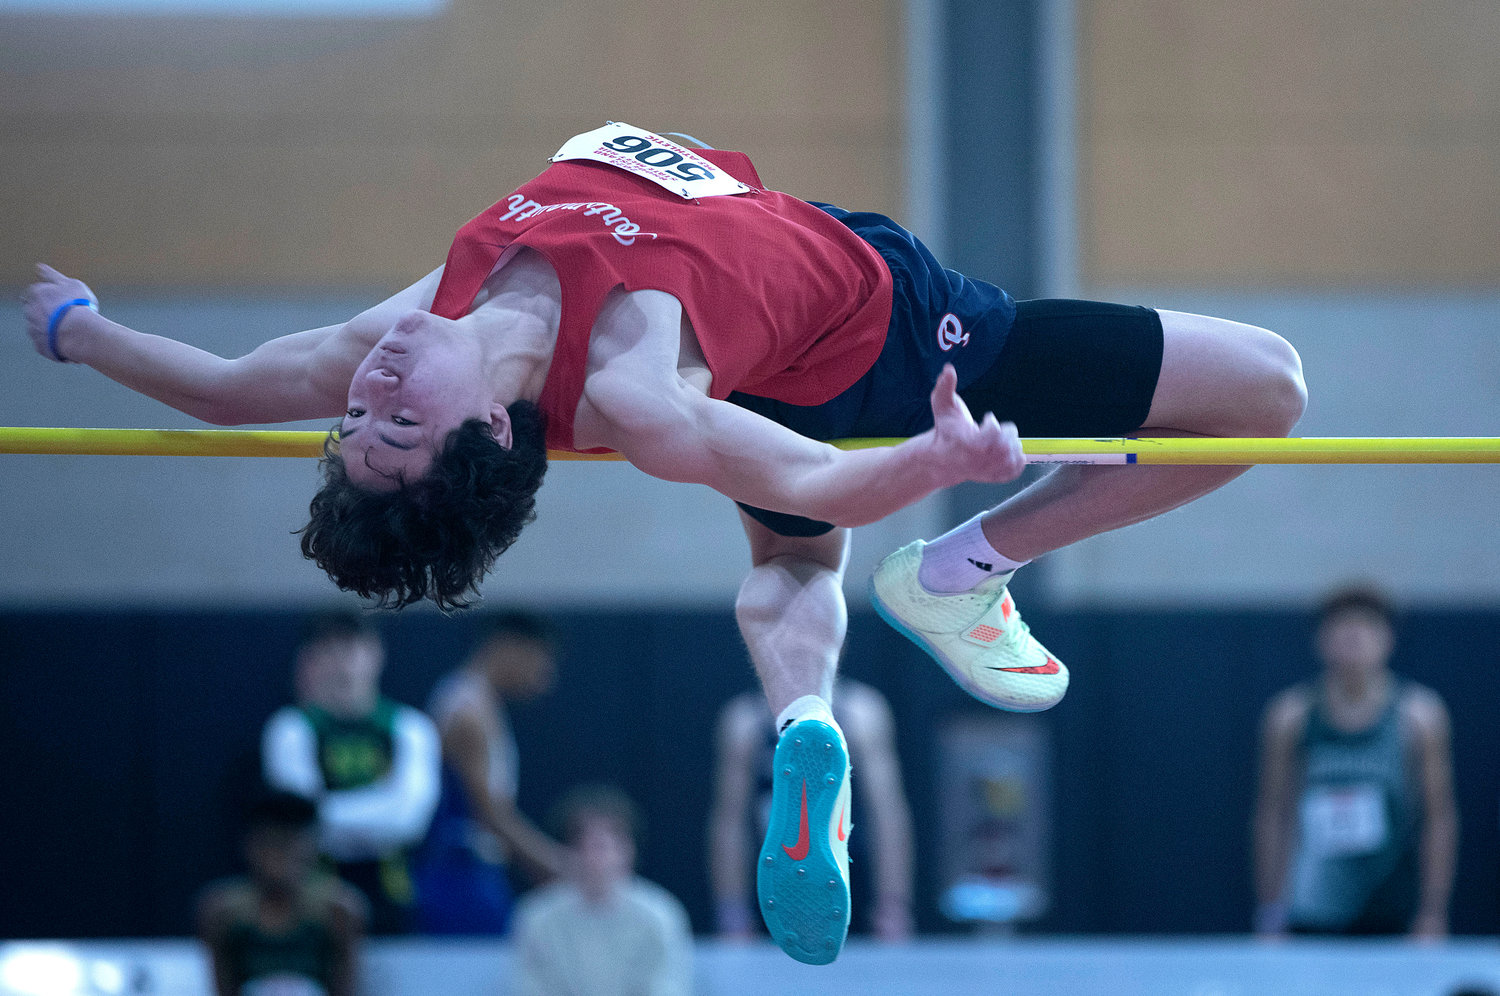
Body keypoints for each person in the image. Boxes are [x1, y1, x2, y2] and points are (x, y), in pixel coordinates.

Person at [23, 122, 1306, 963]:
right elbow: (815, 469)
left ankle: (809, 718)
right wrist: (934, 465)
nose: (374, 381)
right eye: (394, 415)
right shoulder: (634, 385)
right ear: (482, 428)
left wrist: (77, 329)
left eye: (358, 414)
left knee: (794, 567)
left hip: (792, 332)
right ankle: (971, 567)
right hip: (903, 334)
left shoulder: (431, 322)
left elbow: (237, 383)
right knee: (1268, 390)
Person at [1253, 585, 1459, 939]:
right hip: (1311, 903)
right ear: (1321, 640)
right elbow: (1274, 813)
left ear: (1387, 640)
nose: (1353, 639)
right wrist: (1271, 908)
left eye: (1365, 628)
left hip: (1392, 901)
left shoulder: (1420, 717)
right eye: (1342, 629)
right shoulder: (1290, 717)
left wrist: (1432, 912)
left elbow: (1437, 818)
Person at [261, 611, 442, 935]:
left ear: (377, 654)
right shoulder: (290, 729)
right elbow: (301, 820)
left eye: (354, 647)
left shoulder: (411, 728)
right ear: (312, 660)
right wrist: (383, 805)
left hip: (394, 897)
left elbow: (409, 819)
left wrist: (328, 812)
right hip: (312, 899)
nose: (344, 662)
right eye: (330, 649)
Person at [709, 677, 914, 941]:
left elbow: (887, 818)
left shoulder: (861, 714)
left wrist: (893, 908)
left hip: (849, 885)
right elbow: (729, 825)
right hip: (774, 888)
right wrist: (732, 912)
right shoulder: (746, 721)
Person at [414, 610, 568, 934]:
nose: (546, 677)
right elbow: (488, 814)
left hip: (466, 871)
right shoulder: (469, 714)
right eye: (543, 661)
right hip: (459, 878)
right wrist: (554, 865)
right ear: (509, 647)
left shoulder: (473, 701)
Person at [510, 783, 692, 996]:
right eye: (586, 842)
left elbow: (666, 989)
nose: (597, 856)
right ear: (570, 849)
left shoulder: (659, 916)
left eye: (606, 843)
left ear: (629, 850)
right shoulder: (537, 917)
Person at [197, 790, 367, 996]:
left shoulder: (340, 911)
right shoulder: (222, 913)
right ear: (251, 847)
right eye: (271, 843)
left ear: (311, 848)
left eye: (290, 844)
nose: (280, 857)